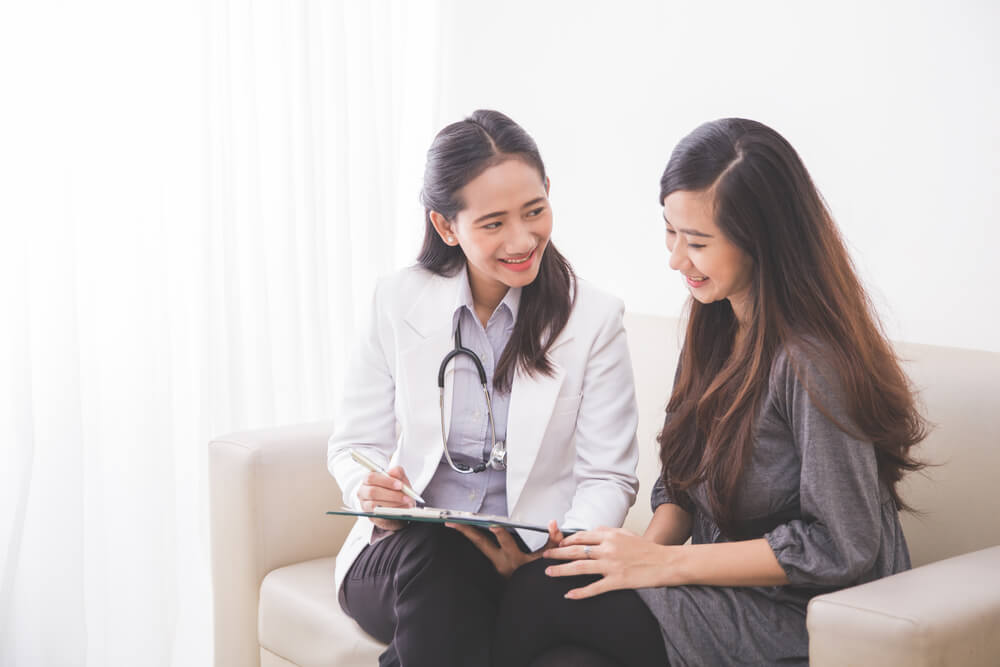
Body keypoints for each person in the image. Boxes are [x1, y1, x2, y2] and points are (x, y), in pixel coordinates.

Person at [487, 118, 928, 667]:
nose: (676, 259)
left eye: (697, 242)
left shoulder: (812, 362)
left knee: (544, 596)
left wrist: (662, 566)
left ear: (761, 241)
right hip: (724, 594)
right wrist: (637, 554)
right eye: (670, 232)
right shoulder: (715, 323)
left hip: (806, 616)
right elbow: (681, 487)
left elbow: (842, 545)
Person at [327, 109, 641, 667]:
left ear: (549, 192)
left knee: (460, 614)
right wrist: (370, 493)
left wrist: (549, 555)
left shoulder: (593, 319)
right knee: (441, 561)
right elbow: (355, 446)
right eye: (493, 224)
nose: (522, 239)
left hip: (525, 565)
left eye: (534, 211)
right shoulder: (397, 301)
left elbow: (609, 478)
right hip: (402, 559)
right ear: (447, 227)